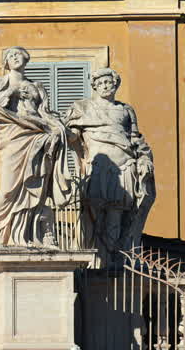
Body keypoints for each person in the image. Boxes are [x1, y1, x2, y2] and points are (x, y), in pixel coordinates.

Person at [0, 47, 71, 248]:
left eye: (19, 54)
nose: (15, 57)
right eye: (11, 55)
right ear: (6, 62)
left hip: (37, 138)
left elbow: (45, 112)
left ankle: (30, 233)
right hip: (13, 137)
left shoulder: (37, 86)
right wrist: (11, 91)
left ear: (26, 59)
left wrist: (56, 127)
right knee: (8, 187)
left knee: (35, 186)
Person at [65, 67, 155, 262]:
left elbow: (136, 140)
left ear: (116, 85)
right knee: (92, 215)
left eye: (109, 83)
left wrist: (145, 159)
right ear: (95, 87)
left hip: (125, 165)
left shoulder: (125, 110)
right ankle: (93, 262)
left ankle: (115, 259)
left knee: (118, 214)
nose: (106, 86)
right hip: (97, 168)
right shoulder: (83, 108)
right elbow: (71, 137)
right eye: (101, 83)